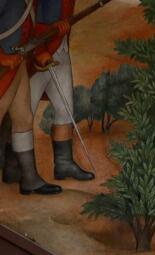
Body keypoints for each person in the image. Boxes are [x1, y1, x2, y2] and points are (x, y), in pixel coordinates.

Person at [3, 0, 93, 184]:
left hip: (55, 48)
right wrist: (39, 50)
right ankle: (12, 167)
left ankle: (62, 164)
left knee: (61, 110)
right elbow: (32, 22)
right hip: (34, 57)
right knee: (23, 114)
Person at [0, 0, 60, 196]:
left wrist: (40, 52)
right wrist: (2, 58)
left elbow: (30, 31)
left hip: (16, 64)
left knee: (24, 119)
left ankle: (29, 178)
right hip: (3, 68)